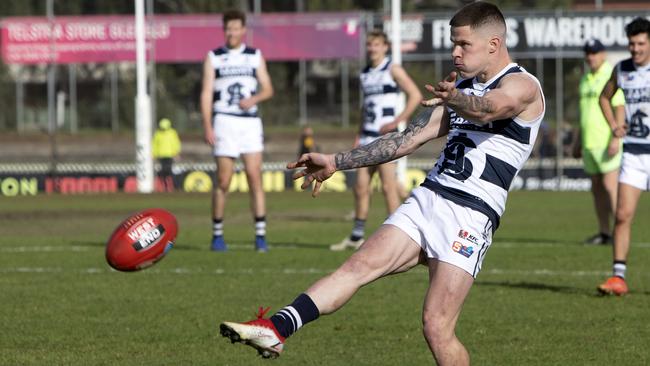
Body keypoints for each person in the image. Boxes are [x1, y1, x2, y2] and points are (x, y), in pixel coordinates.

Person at [219, 2, 545, 364]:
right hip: (429, 197)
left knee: (436, 326)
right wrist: (335, 161)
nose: (455, 53)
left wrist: (454, 98)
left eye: (463, 45)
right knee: (356, 267)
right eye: (454, 44)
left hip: (471, 214)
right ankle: (277, 328)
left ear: (493, 44)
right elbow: (405, 140)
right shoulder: (462, 89)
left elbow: (492, 107)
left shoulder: (522, 86)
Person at [330, 29, 422, 251]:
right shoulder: (364, 73)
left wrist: (398, 121)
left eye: (377, 44)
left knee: (389, 188)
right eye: (370, 45)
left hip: (386, 138)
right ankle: (356, 236)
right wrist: (358, 133)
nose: (373, 48)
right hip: (366, 137)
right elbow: (366, 107)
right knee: (361, 187)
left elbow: (416, 95)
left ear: (385, 46)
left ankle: (397, 239)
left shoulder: (393, 68)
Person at [200, 9, 274, 252]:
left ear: (244, 30)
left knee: (255, 177)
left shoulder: (254, 56)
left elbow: (268, 89)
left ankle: (260, 235)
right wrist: (208, 124)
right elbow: (207, 92)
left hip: (249, 122)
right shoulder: (214, 57)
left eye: (236, 28)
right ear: (225, 30)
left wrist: (254, 99)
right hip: (224, 121)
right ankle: (217, 234)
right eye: (228, 28)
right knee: (223, 180)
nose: (232, 32)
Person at [597, 17, 650, 296]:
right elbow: (605, 97)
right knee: (622, 214)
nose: (636, 49)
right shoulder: (623, 69)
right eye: (632, 43)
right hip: (634, 153)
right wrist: (614, 126)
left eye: (641, 43)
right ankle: (618, 278)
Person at [572, 38, 626, 245]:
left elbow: (619, 106)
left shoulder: (610, 75)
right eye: (588, 53)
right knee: (597, 190)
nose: (590, 57)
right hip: (589, 143)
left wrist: (615, 137)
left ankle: (619, 230)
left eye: (594, 53)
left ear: (603, 54)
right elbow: (582, 114)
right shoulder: (585, 78)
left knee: (611, 187)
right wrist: (578, 142)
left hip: (606, 142)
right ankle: (605, 233)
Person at [152, 117, 182, 192]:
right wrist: (154, 154)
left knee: (169, 171)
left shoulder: (172, 133)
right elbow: (155, 144)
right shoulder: (158, 133)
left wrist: (176, 153)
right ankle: (166, 187)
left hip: (169, 155)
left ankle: (173, 186)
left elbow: (176, 143)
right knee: (164, 171)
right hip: (162, 155)